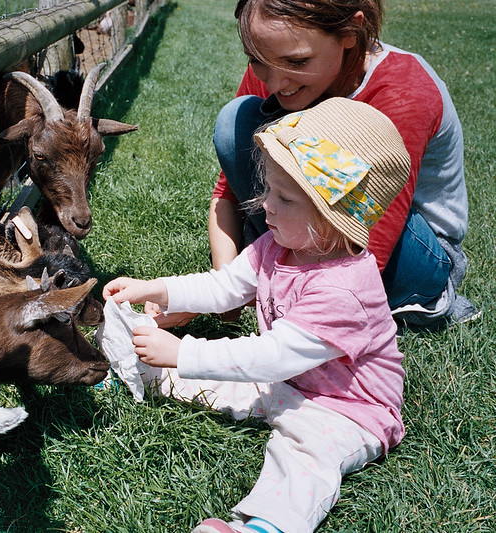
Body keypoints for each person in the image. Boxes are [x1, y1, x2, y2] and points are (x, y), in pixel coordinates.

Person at [103, 98, 409, 533]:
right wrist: (155, 289)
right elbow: (225, 286)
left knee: (307, 451)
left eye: (285, 197)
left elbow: (274, 355)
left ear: (332, 220)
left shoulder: (344, 289)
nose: (266, 205)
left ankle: (266, 525)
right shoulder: (279, 244)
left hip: (346, 407)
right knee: (218, 377)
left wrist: (182, 351)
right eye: (269, 189)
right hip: (288, 379)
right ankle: (133, 371)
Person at [203, 0, 478, 330]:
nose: (274, 84)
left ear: (351, 31)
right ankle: (280, 273)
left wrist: (286, 324)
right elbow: (228, 193)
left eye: (298, 61)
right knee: (236, 120)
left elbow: (372, 241)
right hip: (318, 228)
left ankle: (425, 301)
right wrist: (221, 295)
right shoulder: (277, 60)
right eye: (258, 61)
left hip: (405, 248)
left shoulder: (404, 91)